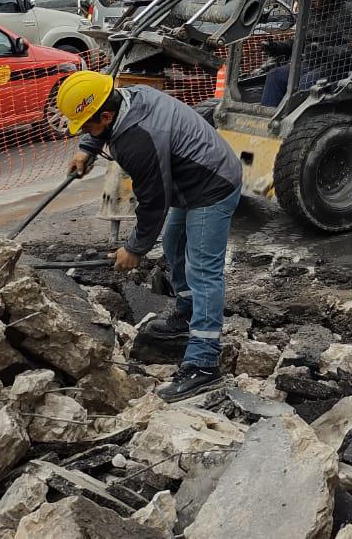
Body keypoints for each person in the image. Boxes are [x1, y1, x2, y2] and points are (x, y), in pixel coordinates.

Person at [57, 70, 245, 402]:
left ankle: (203, 363)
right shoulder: (127, 97)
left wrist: (135, 248)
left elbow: (154, 201)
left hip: (212, 185)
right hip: (192, 180)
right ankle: (186, 313)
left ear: (106, 115)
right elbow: (103, 121)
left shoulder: (136, 140)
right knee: (174, 245)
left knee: (203, 270)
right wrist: (88, 147)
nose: (86, 131)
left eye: (87, 126)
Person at [261, 0, 352, 107]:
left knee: (306, 82)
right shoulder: (310, 14)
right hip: (310, 62)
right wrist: (277, 47)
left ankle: (297, 122)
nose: (312, 3)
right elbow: (299, 42)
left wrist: (326, 51)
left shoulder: (346, 15)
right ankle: (269, 118)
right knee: (275, 76)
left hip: (336, 66)